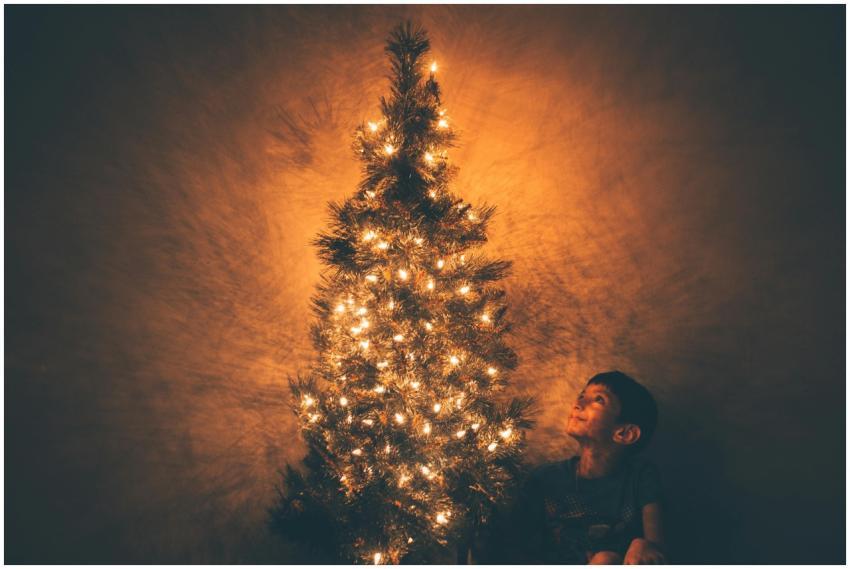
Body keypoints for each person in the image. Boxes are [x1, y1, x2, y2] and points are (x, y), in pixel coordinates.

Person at [507, 371, 667, 564]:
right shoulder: (545, 478)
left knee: (607, 559)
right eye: (581, 396)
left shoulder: (641, 477)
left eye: (598, 400)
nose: (578, 404)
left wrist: (641, 544)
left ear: (624, 433)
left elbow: (658, 550)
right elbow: (515, 547)